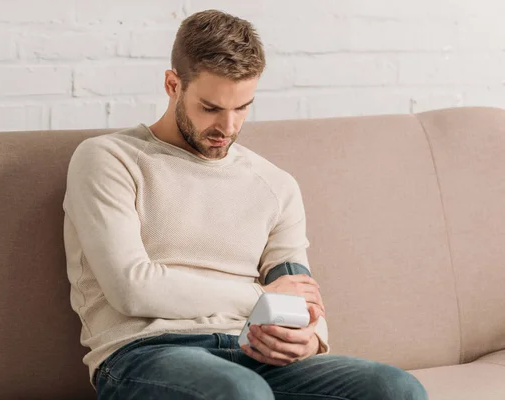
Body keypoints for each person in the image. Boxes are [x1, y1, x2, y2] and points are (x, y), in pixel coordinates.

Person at [62, 9, 428, 400]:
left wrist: (311, 338)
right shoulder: (109, 159)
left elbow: (301, 293)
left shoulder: (275, 185)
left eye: (242, 107)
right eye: (211, 108)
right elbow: (130, 288)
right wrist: (262, 298)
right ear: (173, 84)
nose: (229, 127)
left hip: (254, 353)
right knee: (241, 391)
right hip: (147, 355)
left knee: (395, 388)